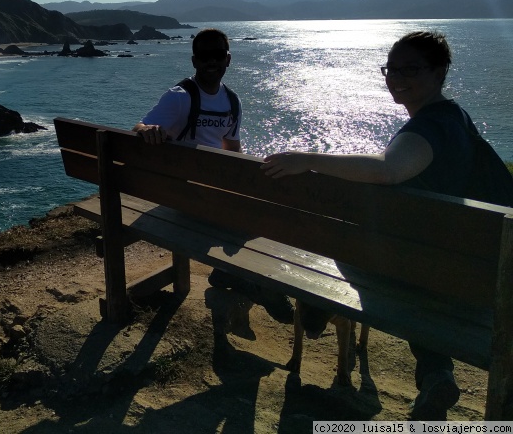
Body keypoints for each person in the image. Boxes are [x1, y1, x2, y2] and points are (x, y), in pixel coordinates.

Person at [261, 30, 485, 419]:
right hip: (470, 267)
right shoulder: (457, 119)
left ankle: (314, 314)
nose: (395, 77)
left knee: (348, 249)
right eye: (390, 69)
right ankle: (434, 370)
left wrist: (309, 159)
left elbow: (389, 168)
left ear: (440, 71)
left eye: (409, 69)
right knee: (400, 258)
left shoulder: (430, 126)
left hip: (446, 274)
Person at [134, 27, 295, 326]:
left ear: (228, 59)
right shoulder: (179, 97)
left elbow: (232, 149)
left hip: (207, 192)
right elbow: (140, 127)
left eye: (217, 55)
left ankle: (233, 272)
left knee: (263, 209)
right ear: (194, 61)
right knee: (265, 216)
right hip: (181, 196)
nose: (211, 61)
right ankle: (259, 283)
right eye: (204, 56)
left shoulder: (232, 102)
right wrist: (148, 131)